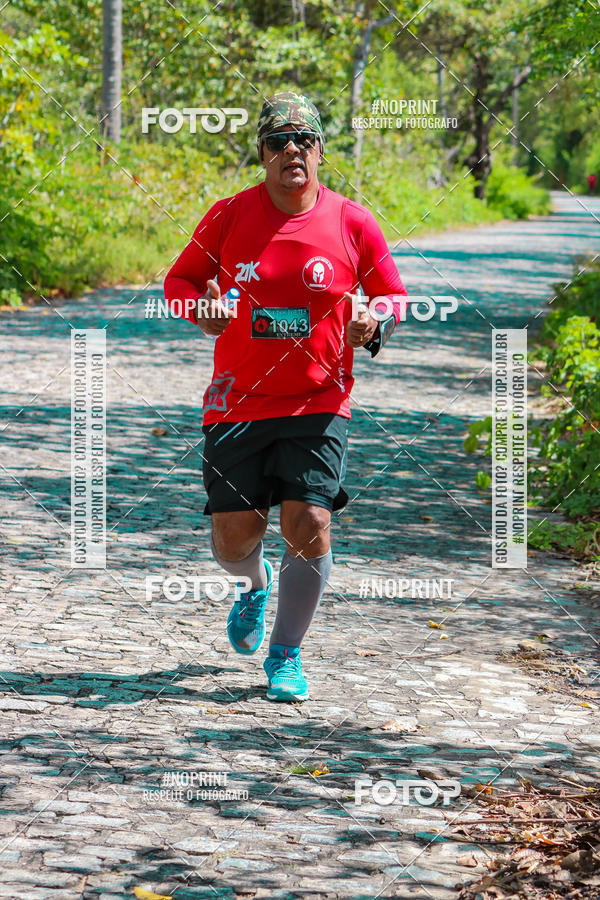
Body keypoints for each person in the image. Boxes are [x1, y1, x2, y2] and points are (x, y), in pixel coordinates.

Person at [164, 90, 407, 702]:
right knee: (233, 539)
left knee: (311, 521)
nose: (291, 151)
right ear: (262, 155)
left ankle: (285, 654)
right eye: (278, 141)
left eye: (303, 140)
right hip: (237, 401)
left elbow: (392, 294)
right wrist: (200, 308)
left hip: (319, 400)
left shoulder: (352, 220)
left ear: (321, 151)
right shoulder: (229, 215)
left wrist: (373, 321)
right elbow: (180, 280)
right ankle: (253, 585)